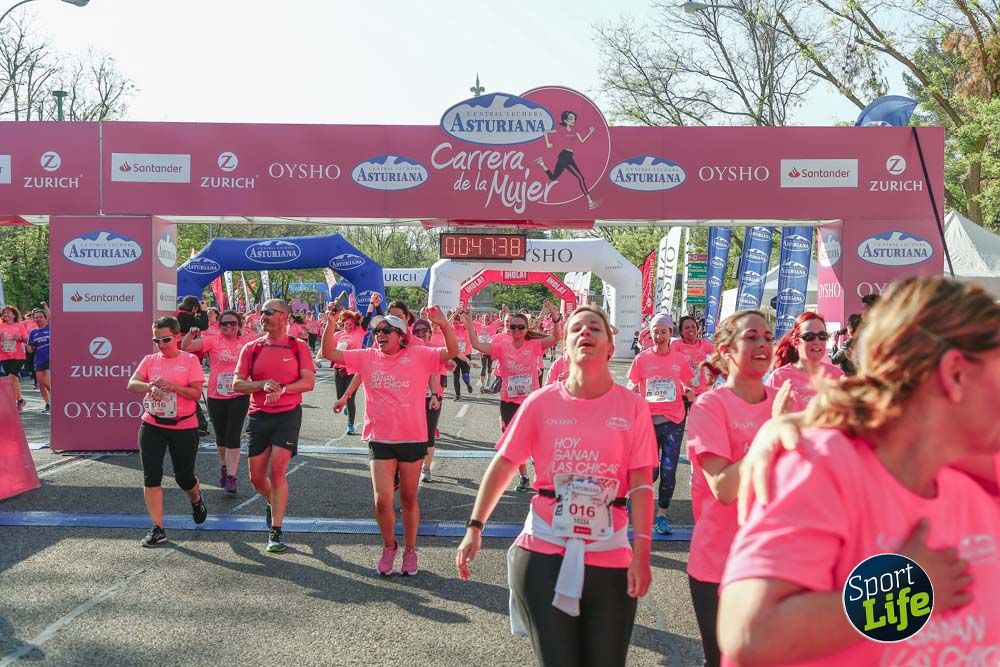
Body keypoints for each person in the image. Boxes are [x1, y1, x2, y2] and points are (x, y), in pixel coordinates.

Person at [719, 276, 1000, 665]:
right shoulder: (823, 464)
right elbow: (750, 635)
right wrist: (909, 589)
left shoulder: (973, 476)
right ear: (955, 373)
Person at [456, 305, 656, 667]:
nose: (585, 333)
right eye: (577, 328)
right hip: (544, 547)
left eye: (595, 328)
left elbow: (641, 485)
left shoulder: (633, 407)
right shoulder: (541, 402)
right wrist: (475, 526)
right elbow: (504, 466)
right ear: (564, 346)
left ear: (610, 346)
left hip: (610, 550)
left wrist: (642, 550)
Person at [324, 307, 457, 576]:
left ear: (401, 335)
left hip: (412, 437)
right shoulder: (366, 357)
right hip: (380, 437)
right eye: (376, 331)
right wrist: (329, 323)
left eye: (386, 330)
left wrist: (443, 325)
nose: (380, 335)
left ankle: (410, 550)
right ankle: (389, 547)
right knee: (382, 500)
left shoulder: (418, 355)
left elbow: (450, 353)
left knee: (408, 498)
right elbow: (330, 353)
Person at [686, 310, 780, 667]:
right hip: (720, 564)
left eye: (768, 338)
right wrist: (772, 432)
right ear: (725, 349)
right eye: (752, 337)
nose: (762, 344)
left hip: (777, 560)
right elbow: (724, 487)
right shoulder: (711, 406)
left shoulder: (781, 404)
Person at [233, 299, 316, 553]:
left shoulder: (297, 346)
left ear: (283, 317)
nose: (262, 317)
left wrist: (283, 389)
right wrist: (261, 385)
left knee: (277, 471)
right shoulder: (252, 347)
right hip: (259, 415)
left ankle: (276, 530)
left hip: (287, 415)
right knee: (257, 478)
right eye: (261, 313)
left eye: (268, 312)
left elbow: (308, 382)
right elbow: (237, 383)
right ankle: (273, 501)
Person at [126, 316, 208, 547]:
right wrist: (150, 386)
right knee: (151, 475)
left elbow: (194, 393)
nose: (161, 345)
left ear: (177, 336)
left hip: (183, 426)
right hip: (152, 424)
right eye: (156, 340)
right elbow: (132, 383)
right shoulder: (150, 360)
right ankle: (157, 527)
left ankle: (196, 497)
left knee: (184, 478)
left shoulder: (190, 360)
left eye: (165, 340)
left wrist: (173, 387)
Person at [466, 301, 562, 492]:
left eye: (520, 327)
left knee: (536, 441)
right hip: (509, 402)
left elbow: (556, 338)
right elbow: (476, 344)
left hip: (530, 402)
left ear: (526, 329)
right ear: (508, 328)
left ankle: (542, 473)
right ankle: (524, 477)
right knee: (514, 443)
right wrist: (469, 321)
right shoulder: (501, 346)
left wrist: (556, 317)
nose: (516, 330)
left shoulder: (534, 345)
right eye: (513, 326)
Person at [628, 313, 695, 536]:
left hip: (674, 420)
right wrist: (633, 390)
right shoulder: (642, 359)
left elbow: (688, 384)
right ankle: (637, 495)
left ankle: (662, 515)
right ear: (650, 333)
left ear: (670, 333)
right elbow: (632, 383)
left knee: (669, 470)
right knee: (651, 470)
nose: (659, 336)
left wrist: (689, 391)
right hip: (648, 420)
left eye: (663, 332)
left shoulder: (679, 360)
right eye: (655, 331)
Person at [182, 310, 255, 494]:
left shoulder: (247, 341)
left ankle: (231, 477)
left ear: (240, 325)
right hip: (216, 395)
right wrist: (190, 335)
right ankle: (224, 467)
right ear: (219, 325)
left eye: (232, 323)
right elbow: (187, 347)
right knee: (221, 437)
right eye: (224, 324)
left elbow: (269, 338)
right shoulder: (213, 340)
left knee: (233, 435)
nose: (228, 327)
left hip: (239, 394)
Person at [765, 311, 844, 409]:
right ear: (796, 342)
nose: (817, 341)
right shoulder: (779, 377)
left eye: (822, 335)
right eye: (809, 337)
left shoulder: (838, 376)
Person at [534, 110, 600, 210]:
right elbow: (545, 131)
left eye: (574, 119)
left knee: (553, 177)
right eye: (570, 119)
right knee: (580, 178)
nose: (573, 120)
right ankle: (590, 202)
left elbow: (582, 140)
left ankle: (542, 163)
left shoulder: (575, 130)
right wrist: (547, 143)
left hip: (568, 156)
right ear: (565, 120)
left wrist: (590, 133)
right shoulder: (562, 129)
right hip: (564, 156)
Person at [412, 319, 444, 483]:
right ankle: (413, 465)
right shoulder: (408, 350)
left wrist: (433, 395)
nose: (420, 333)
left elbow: (435, 371)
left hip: (432, 396)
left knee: (429, 435)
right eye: (416, 331)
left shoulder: (435, 350)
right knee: (413, 435)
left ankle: (426, 468)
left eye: (424, 330)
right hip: (411, 399)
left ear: (430, 332)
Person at [330, 310, 365, 435]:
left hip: (353, 369)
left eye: (351, 324)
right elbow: (329, 349)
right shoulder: (337, 335)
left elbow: (366, 321)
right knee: (340, 396)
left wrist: (372, 304)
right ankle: (344, 404)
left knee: (349, 398)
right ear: (342, 324)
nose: (348, 327)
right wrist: (318, 357)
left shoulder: (359, 333)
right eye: (346, 324)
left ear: (355, 325)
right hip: (339, 368)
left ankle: (350, 425)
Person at [670, 315, 714, 407]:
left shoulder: (704, 344)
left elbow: (719, 352)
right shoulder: (676, 345)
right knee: (679, 421)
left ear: (697, 329)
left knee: (699, 421)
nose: (691, 329)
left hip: (700, 392)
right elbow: (668, 361)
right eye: (687, 327)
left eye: (693, 327)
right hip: (681, 392)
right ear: (681, 332)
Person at [0, 305, 28, 410]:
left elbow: (26, 340)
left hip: (18, 356)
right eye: (4, 313)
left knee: (11, 379)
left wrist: (19, 338)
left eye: (8, 312)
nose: (6, 314)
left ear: (14, 315)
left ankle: (11, 404)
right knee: (14, 379)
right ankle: (20, 400)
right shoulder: (0, 326)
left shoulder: (19, 326)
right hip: (4, 356)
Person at [26, 305, 51, 413]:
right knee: (41, 384)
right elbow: (31, 348)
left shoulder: (51, 328)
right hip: (39, 360)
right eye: (36, 317)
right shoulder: (33, 332)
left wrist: (45, 306)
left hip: (51, 359)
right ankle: (48, 404)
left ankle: (58, 402)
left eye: (40, 317)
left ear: (46, 318)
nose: (38, 319)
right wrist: (29, 349)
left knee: (49, 382)